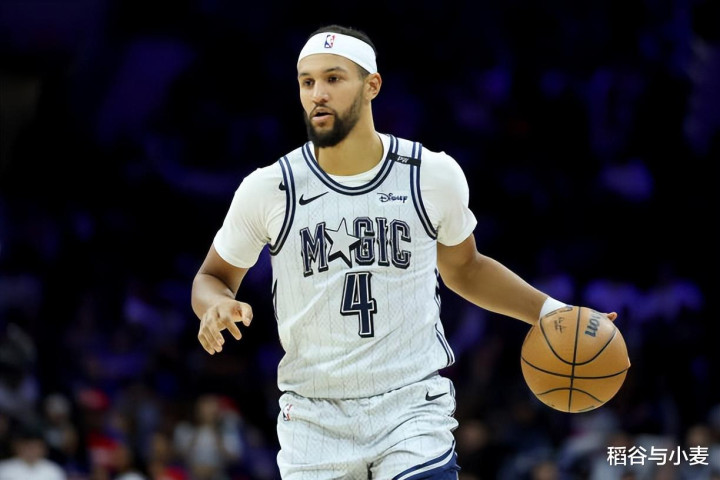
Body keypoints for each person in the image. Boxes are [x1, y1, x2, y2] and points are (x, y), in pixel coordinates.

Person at [190, 24, 618, 480]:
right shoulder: (269, 188)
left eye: (333, 78)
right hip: (314, 420)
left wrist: (552, 311)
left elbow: (466, 269)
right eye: (307, 81)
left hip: (410, 410)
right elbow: (211, 277)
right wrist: (214, 305)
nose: (318, 93)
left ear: (371, 85)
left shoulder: (429, 174)